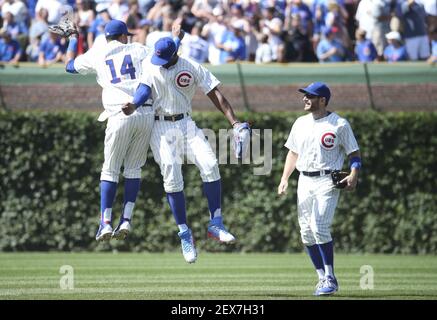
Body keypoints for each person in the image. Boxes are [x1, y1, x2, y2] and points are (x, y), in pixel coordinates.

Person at [124, 34, 251, 264]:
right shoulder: (151, 65)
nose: (158, 63)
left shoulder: (191, 66)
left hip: (186, 123)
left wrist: (234, 123)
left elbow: (215, 93)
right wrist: (134, 104)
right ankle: (184, 233)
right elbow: (143, 90)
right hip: (160, 126)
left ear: (175, 55)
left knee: (211, 165)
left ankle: (216, 223)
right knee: (172, 178)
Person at [54, 18, 181, 242]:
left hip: (119, 114)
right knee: (133, 169)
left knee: (110, 170)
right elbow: (166, 53)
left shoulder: (98, 53)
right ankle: (126, 220)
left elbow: (69, 66)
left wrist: (73, 39)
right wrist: (176, 37)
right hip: (145, 113)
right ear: (123, 36)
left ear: (107, 37)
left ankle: (105, 223)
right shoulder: (140, 50)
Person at [277, 82, 361, 296]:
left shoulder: (339, 124)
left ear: (322, 100)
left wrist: (353, 174)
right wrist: (285, 178)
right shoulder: (300, 123)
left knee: (319, 227)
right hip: (304, 180)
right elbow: (293, 153)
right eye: (305, 95)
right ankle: (321, 277)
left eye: (310, 96)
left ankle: (330, 277)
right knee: (306, 233)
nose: (305, 99)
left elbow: (354, 154)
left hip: (327, 181)